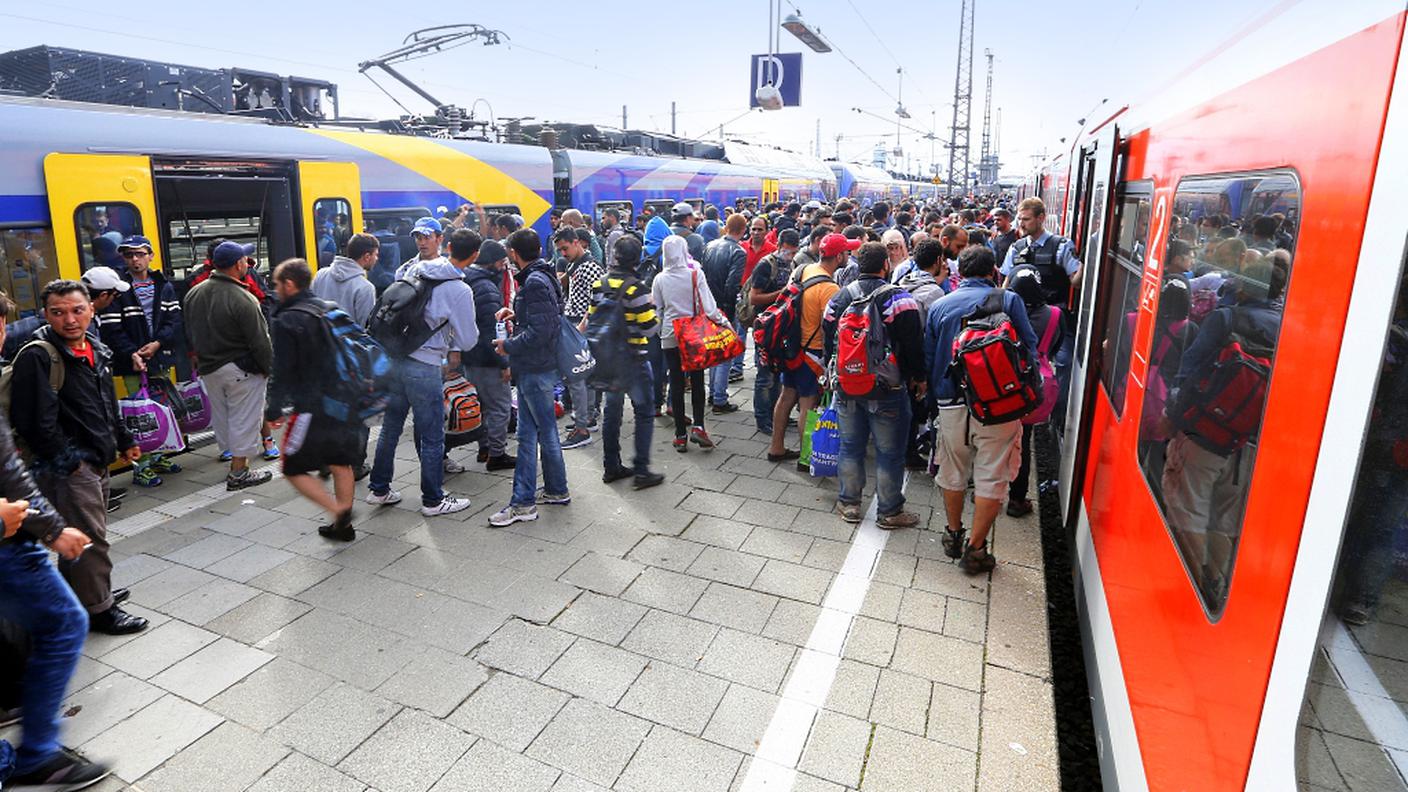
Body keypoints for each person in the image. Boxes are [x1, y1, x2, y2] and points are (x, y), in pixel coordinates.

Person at [10, 280, 147, 635]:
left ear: (90, 310)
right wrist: (72, 463)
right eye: (58, 312)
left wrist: (123, 438)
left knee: (83, 535)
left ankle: (85, 594)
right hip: (70, 466)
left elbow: (106, 402)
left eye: (77, 310)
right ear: (46, 314)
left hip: (95, 458)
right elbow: (34, 423)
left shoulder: (95, 348)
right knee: (91, 538)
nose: (69, 319)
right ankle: (100, 610)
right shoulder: (39, 356)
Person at [0, 407, 112, 788]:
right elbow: (9, 473)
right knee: (64, 622)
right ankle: (35, 755)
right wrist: (53, 528)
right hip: (9, 542)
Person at [1158, 257, 1282, 601]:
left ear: (1243, 285)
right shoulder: (1287, 324)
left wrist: (1172, 416)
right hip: (1248, 442)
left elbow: (1189, 371)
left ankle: (1199, 584)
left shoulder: (1225, 319)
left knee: (1188, 507)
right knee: (1226, 518)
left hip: (1205, 435)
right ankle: (1217, 576)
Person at [924, 246, 1038, 574]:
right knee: (991, 474)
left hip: (951, 401)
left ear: (960, 272)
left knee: (953, 469)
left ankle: (953, 533)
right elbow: (1028, 347)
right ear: (992, 272)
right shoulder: (1009, 300)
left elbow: (931, 360)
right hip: (998, 402)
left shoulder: (940, 305)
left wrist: (935, 401)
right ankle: (976, 549)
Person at [367, 229, 479, 517]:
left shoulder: (416, 269)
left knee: (391, 427)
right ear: (475, 255)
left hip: (395, 358)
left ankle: (379, 489)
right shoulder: (459, 289)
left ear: (449, 246)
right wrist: (451, 343)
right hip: (425, 365)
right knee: (431, 433)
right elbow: (468, 340)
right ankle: (433, 499)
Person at [822, 242, 925, 529]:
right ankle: (890, 511)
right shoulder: (899, 300)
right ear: (886, 265)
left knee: (851, 446)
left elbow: (828, 335)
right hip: (887, 388)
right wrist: (919, 376)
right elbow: (914, 344)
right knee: (889, 452)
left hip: (846, 385)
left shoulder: (840, 297)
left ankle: (849, 503)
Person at [264, 259, 361, 541]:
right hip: (345, 399)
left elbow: (282, 368)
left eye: (277, 283)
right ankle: (343, 528)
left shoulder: (288, 319)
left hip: (313, 405)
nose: (275, 288)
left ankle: (339, 511)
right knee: (340, 462)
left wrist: (273, 407)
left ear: (290, 284)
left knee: (291, 466)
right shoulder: (327, 308)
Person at [489, 229, 570, 526]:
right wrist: (517, 314)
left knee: (526, 437)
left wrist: (507, 345)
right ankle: (556, 489)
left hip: (535, 368)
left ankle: (523, 504)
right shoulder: (543, 275)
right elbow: (544, 319)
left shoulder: (533, 282)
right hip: (541, 366)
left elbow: (541, 331)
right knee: (545, 431)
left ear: (514, 253)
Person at [183, 241, 276, 491]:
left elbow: (189, 331)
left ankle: (229, 456)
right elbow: (260, 342)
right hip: (240, 369)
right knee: (244, 419)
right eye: (245, 259)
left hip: (209, 368)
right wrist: (268, 369)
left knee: (223, 418)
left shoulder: (195, 292)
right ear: (238, 264)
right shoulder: (243, 297)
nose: (247, 262)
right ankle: (239, 472)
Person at [97, 235, 184, 489]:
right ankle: (141, 465)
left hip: (157, 357)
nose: (135, 259)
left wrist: (157, 344)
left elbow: (173, 321)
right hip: (131, 362)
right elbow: (112, 329)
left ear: (150, 256)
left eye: (139, 254)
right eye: (128, 255)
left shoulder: (163, 285)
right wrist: (133, 352)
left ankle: (157, 455)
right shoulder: (120, 288)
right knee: (139, 414)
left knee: (157, 407)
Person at [766, 233, 853, 464]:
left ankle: (776, 447)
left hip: (791, 348)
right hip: (812, 355)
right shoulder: (830, 288)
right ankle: (806, 458)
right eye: (847, 252)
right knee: (808, 403)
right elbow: (829, 329)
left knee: (786, 397)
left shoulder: (801, 270)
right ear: (839, 256)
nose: (849, 256)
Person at [592, 234, 666, 490]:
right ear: (636, 259)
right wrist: (654, 310)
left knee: (611, 414)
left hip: (607, 359)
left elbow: (593, 317)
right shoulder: (637, 288)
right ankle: (642, 470)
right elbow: (648, 329)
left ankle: (611, 466)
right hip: (634, 360)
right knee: (644, 412)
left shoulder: (599, 283)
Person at [652, 234, 726, 452]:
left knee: (675, 382)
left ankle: (679, 435)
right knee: (696, 381)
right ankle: (699, 426)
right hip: (693, 334)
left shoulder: (660, 279)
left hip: (669, 335)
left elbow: (657, 310)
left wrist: (659, 332)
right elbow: (709, 306)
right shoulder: (695, 274)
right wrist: (723, 322)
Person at [1004, 266, 1065, 517]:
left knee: (996, 439)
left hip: (1003, 384)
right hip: (1032, 387)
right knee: (1023, 442)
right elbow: (1055, 347)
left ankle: (987, 490)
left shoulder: (1004, 310)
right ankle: (1017, 499)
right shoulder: (1054, 314)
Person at [463, 239, 516, 471]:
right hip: (487, 358)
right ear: (494, 263)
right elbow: (492, 331)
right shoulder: (487, 288)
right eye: (502, 262)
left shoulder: (468, 279)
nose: (504, 267)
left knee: (483, 404)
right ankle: (497, 454)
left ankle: (484, 447)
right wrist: (504, 362)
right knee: (500, 406)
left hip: (469, 356)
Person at [748, 229, 800, 435]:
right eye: (788, 252)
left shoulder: (792, 265)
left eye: (794, 252)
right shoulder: (765, 265)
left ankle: (776, 414)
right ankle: (762, 419)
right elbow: (754, 298)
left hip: (781, 327)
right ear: (779, 246)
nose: (791, 256)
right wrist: (783, 293)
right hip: (765, 327)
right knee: (764, 376)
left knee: (776, 373)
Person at [557, 227, 605, 449]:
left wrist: (583, 326)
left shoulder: (589, 267)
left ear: (577, 242)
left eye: (565, 248)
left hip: (582, 325)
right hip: (576, 323)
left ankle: (583, 424)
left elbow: (597, 300)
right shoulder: (575, 265)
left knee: (578, 377)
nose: (563, 253)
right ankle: (586, 418)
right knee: (583, 375)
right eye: (560, 250)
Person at [702, 213, 748, 412]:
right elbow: (731, 284)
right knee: (725, 354)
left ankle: (713, 393)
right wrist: (730, 310)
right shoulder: (738, 252)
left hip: (708, 305)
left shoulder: (710, 246)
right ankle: (719, 398)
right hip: (725, 307)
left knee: (714, 352)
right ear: (743, 230)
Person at [311, 232, 379, 327]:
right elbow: (365, 327)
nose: (376, 259)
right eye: (375, 255)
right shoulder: (365, 288)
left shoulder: (320, 274)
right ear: (367, 257)